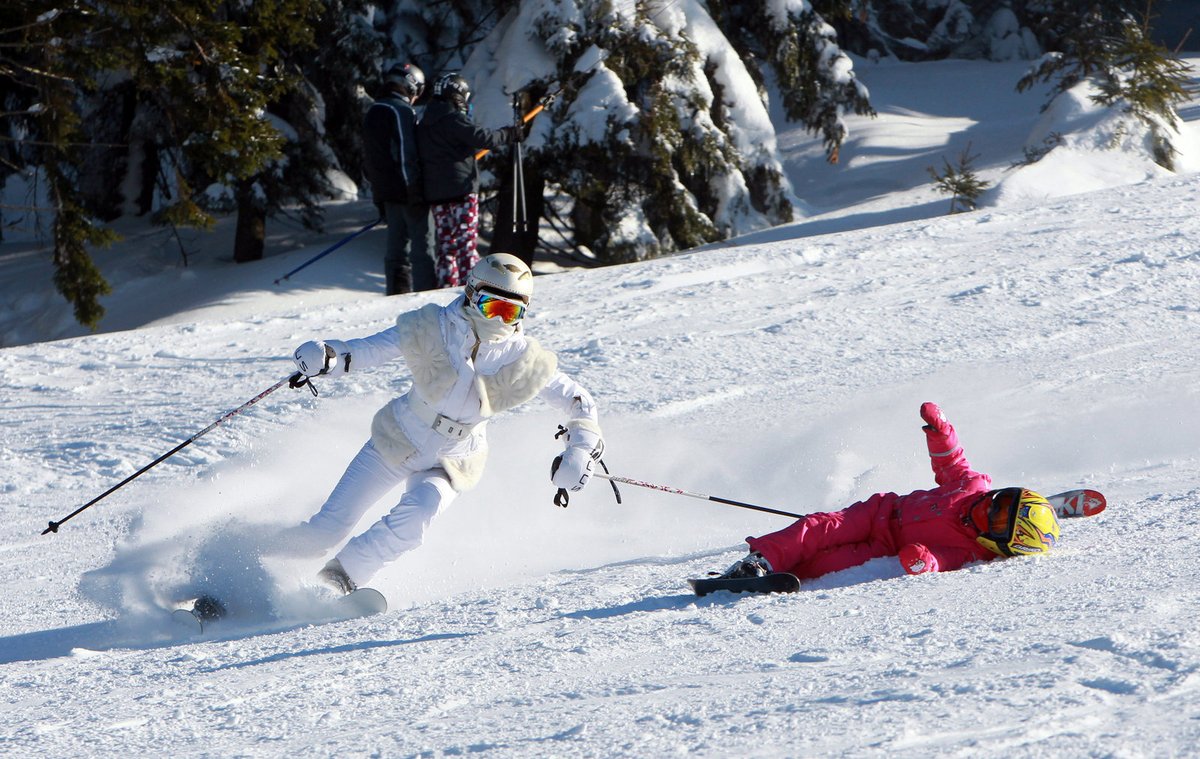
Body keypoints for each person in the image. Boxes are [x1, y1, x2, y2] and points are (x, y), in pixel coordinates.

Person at [284, 253, 604, 593]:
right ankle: (250, 562)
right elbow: (371, 349)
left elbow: (579, 401)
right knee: (326, 530)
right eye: (490, 305)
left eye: (510, 312)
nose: (498, 319)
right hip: (397, 440)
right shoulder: (431, 326)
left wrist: (583, 448)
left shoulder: (524, 357)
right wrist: (330, 356)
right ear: (471, 292)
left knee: (416, 519)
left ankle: (336, 581)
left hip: (454, 459)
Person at [713, 402, 1063, 582]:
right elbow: (950, 461)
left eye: (997, 520)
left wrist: (922, 561)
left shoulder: (972, 552)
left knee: (831, 563)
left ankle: (777, 577)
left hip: (884, 545)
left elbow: (943, 560)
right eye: (998, 503)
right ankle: (760, 561)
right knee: (818, 528)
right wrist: (940, 431)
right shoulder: (971, 488)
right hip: (879, 512)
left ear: (1001, 543)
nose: (987, 510)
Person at [417, 71, 525, 288]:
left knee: (446, 246)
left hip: (436, 195)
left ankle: (447, 285)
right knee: (466, 243)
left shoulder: (424, 123)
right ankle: (472, 287)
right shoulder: (454, 119)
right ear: (458, 96)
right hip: (462, 191)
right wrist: (509, 134)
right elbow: (484, 138)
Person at [361, 62, 435, 295]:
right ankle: (428, 297)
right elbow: (406, 152)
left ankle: (396, 295)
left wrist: (379, 196)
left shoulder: (375, 109)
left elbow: (370, 158)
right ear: (411, 86)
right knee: (423, 250)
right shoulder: (400, 111)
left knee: (396, 251)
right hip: (407, 191)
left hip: (387, 194)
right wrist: (413, 188)